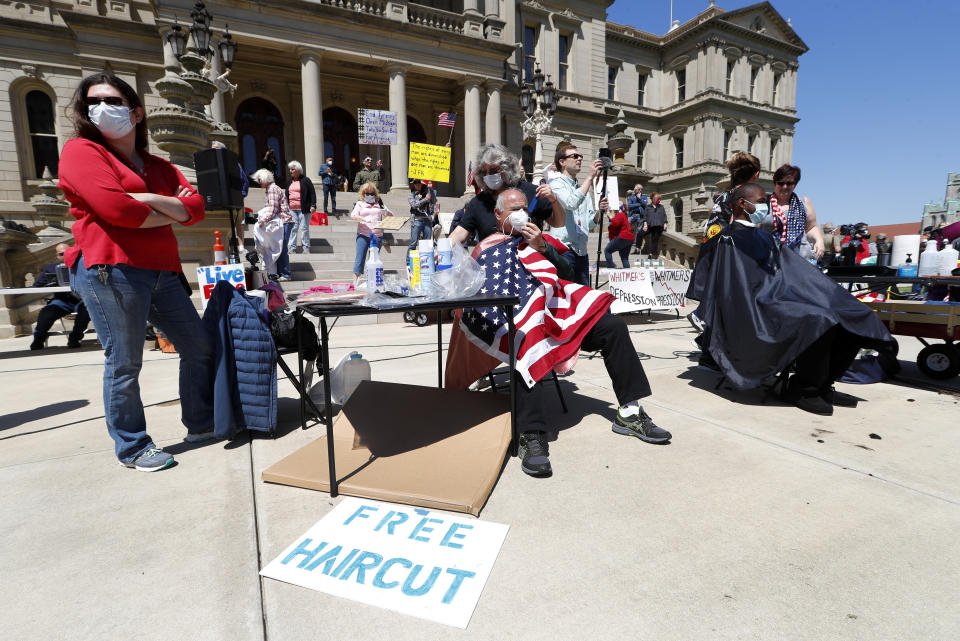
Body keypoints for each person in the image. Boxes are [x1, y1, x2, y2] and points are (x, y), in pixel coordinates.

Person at [445, 188, 671, 477]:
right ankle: (531, 435)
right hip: (517, 321)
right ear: (498, 214)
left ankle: (630, 411)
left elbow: (568, 273)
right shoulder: (485, 247)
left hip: (560, 316)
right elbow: (476, 291)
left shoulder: (542, 239)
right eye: (514, 209)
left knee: (613, 327)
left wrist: (543, 248)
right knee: (527, 336)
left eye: (525, 207)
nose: (521, 214)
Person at [57, 72, 214, 471]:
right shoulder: (82, 152)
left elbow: (196, 210)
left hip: (162, 270)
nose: (100, 109)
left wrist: (144, 197)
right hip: (112, 267)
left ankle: (200, 422)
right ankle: (132, 446)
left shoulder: (159, 166)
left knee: (198, 347)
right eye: (92, 102)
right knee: (125, 362)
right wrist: (167, 208)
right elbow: (117, 212)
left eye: (111, 100)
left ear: (137, 112)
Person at [687, 183, 895, 415]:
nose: (765, 206)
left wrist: (823, 292)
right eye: (760, 201)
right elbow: (730, 288)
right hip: (753, 311)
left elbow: (791, 271)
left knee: (849, 313)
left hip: (775, 299)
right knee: (819, 319)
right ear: (742, 204)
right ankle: (802, 388)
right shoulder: (726, 238)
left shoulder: (764, 238)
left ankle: (822, 384)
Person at [447, 143, 565, 248]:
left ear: (506, 168)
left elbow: (558, 223)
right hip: (493, 266)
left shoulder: (532, 192)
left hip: (529, 264)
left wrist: (554, 200)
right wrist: (441, 251)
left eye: (493, 171)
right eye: (484, 172)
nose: (488, 175)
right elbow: (460, 233)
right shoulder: (478, 202)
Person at [549, 143, 608, 286]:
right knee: (565, 294)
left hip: (582, 251)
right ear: (562, 162)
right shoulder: (556, 184)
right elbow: (570, 203)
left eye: (580, 156)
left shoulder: (582, 189)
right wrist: (590, 177)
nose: (579, 159)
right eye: (574, 156)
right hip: (564, 249)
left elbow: (589, 222)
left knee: (583, 296)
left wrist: (599, 212)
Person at [29, 242, 91, 350]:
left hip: (83, 299)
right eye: (61, 254)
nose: (65, 255)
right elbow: (37, 285)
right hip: (62, 301)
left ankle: (74, 338)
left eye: (67, 252)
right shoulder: (50, 268)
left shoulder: (83, 265)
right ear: (57, 256)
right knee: (48, 311)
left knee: (88, 308)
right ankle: (38, 339)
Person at [703, 152, 761, 243]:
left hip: (710, 250)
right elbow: (737, 231)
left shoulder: (723, 196)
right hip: (726, 253)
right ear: (756, 175)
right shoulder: (743, 198)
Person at [770, 164, 824, 259]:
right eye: (781, 183)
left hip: (800, 261)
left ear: (794, 185)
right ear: (775, 183)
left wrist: (819, 241)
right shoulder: (765, 203)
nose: (785, 187)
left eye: (789, 183)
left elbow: (811, 228)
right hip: (772, 260)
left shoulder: (804, 202)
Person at [253, 168, 293, 281]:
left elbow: (273, 208)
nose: (258, 182)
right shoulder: (272, 189)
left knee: (281, 248)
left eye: (259, 179)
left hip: (284, 221)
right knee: (279, 247)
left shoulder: (272, 189)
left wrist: (264, 220)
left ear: (265, 178)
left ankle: (285, 274)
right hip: (282, 221)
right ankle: (282, 273)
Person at [350, 181, 393, 282]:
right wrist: (362, 218)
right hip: (363, 234)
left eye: (372, 193)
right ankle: (355, 283)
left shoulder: (379, 204)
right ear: (363, 193)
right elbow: (353, 215)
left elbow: (391, 215)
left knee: (374, 260)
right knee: (360, 259)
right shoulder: (360, 203)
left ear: (375, 194)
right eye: (367, 193)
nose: (369, 195)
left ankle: (372, 281)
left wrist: (386, 212)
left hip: (377, 235)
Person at [210, 140, 249, 243]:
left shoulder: (233, 163)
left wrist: (241, 195)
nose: (212, 151)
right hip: (220, 198)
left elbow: (244, 180)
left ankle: (241, 246)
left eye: (215, 149)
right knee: (225, 222)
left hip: (235, 197)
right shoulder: (211, 164)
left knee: (239, 222)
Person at [285, 160, 317, 253]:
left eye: (292, 169)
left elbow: (312, 193)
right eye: (290, 169)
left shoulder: (306, 180)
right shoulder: (289, 181)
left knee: (304, 228)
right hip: (291, 209)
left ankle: (306, 247)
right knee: (293, 228)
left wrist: (313, 205)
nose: (290, 171)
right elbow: (286, 194)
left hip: (304, 209)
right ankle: (292, 248)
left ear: (298, 170)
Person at [407, 179, 435, 257]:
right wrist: (425, 199)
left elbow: (434, 201)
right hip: (416, 220)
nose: (417, 184)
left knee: (427, 243)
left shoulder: (427, 193)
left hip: (427, 220)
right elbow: (414, 205)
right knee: (413, 243)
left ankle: (426, 262)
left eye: (419, 182)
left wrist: (431, 190)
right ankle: (409, 263)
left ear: (422, 183)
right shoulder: (411, 195)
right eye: (415, 182)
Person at [642, 192, 667, 258]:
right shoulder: (648, 207)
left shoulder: (661, 207)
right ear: (652, 199)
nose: (658, 200)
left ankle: (652, 253)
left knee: (654, 239)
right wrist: (645, 224)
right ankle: (637, 248)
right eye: (657, 198)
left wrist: (665, 223)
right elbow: (645, 216)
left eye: (659, 198)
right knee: (640, 234)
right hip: (650, 225)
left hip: (659, 226)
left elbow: (664, 216)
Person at [627, 183, 648, 253]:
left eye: (641, 189)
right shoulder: (631, 197)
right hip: (633, 215)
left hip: (641, 215)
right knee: (626, 225)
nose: (640, 190)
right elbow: (629, 206)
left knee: (638, 230)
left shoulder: (644, 197)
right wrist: (639, 204)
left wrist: (639, 198)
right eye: (639, 189)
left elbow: (645, 204)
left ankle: (636, 244)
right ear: (635, 190)